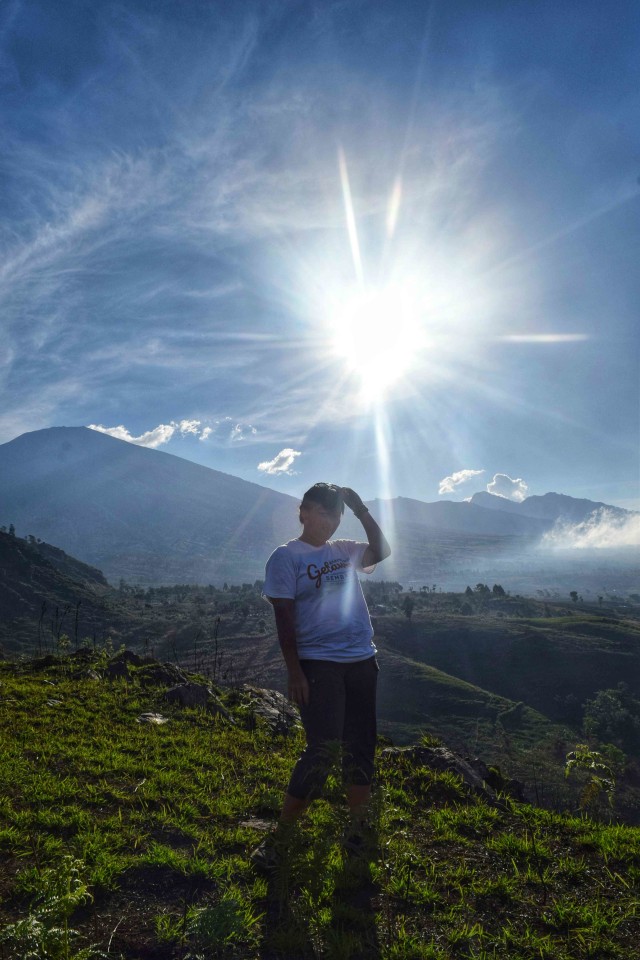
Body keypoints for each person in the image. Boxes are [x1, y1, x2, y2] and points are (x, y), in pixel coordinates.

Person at [251, 482, 391, 871]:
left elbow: (382, 551)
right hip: (319, 664)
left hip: (362, 661)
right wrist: (295, 671)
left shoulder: (344, 550)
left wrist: (362, 510)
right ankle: (280, 840)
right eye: (323, 514)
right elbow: (283, 617)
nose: (329, 523)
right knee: (323, 750)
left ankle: (358, 831)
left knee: (360, 745)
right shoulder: (286, 557)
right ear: (304, 512)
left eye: (336, 516)